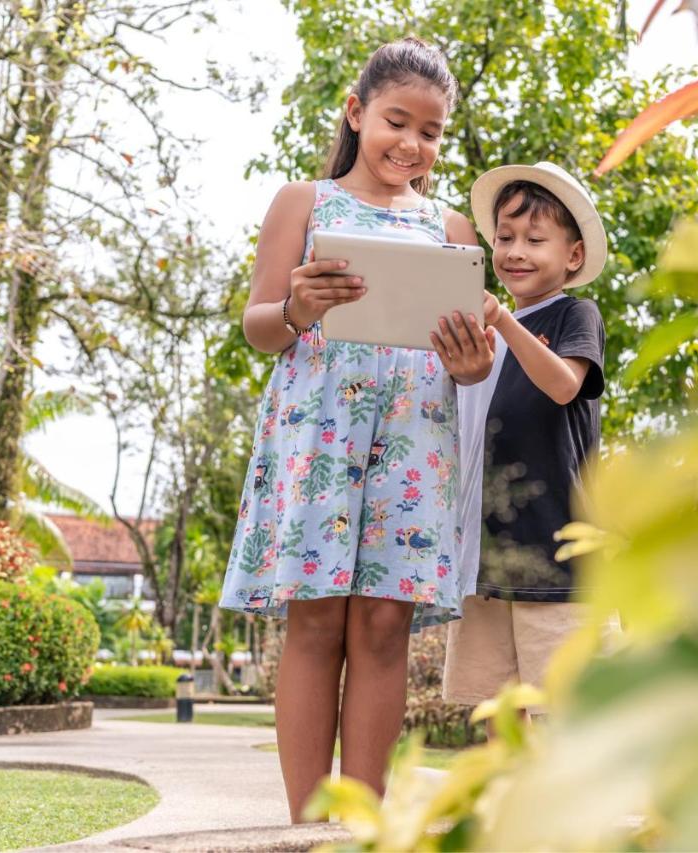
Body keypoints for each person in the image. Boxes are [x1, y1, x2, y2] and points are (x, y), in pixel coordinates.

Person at [219, 36, 494, 821]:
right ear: (356, 112)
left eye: (430, 132)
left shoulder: (451, 227)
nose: (411, 144)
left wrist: (471, 363)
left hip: (415, 438)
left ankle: (362, 826)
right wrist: (299, 308)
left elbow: (469, 369)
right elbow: (260, 328)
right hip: (318, 433)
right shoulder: (302, 203)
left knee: (382, 623)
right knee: (315, 615)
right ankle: (307, 828)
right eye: (396, 121)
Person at [443, 161, 608, 717]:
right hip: (487, 557)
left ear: (574, 256)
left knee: (565, 707)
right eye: (505, 238)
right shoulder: (482, 335)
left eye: (535, 239)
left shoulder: (574, 315)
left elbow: (564, 385)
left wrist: (506, 324)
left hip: (556, 555)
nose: (515, 251)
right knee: (498, 705)